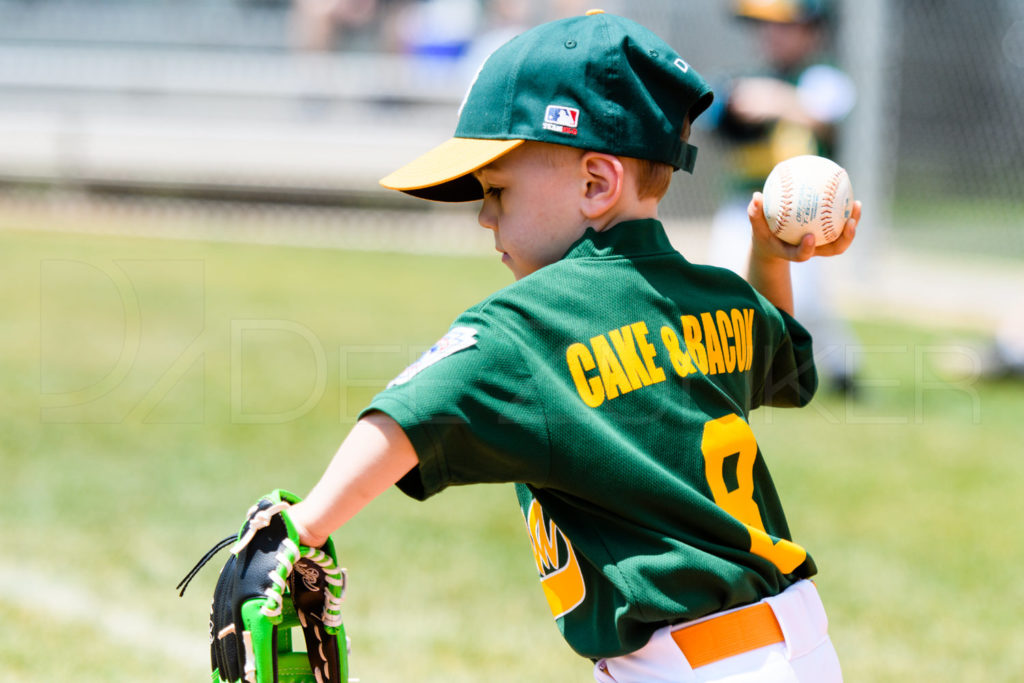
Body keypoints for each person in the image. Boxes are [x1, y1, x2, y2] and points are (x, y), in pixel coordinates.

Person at [285, 10, 859, 682]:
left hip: (695, 665)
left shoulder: (534, 322)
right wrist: (771, 257)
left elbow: (410, 414)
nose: (484, 214)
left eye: (498, 189)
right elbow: (781, 361)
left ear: (596, 183)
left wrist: (304, 527)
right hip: (782, 650)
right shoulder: (713, 296)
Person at [706, 0, 860, 397]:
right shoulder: (750, 78)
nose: (770, 35)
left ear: (814, 30)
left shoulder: (822, 76)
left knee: (807, 301)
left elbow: (825, 111)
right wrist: (726, 105)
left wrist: (772, 99)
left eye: (784, 27)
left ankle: (843, 366)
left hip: (804, 213)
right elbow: (710, 115)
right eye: (764, 27)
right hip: (745, 205)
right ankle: (734, 371)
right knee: (725, 283)